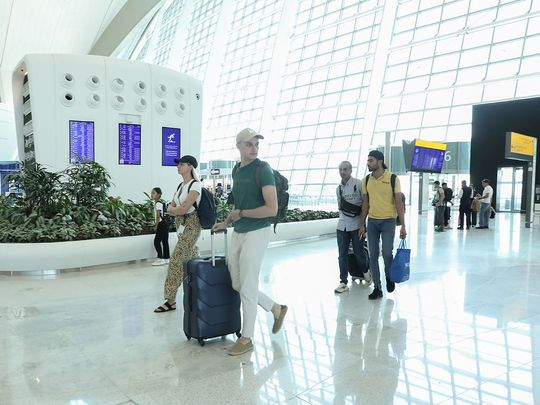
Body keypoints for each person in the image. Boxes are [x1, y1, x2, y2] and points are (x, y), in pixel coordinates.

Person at [212, 128, 288, 356]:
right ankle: (275, 308)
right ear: (238, 146)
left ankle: (247, 339)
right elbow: (238, 206)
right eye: (249, 144)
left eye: (256, 144)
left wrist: (242, 214)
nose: (254, 148)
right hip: (240, 230)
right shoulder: (237, 169)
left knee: (247, 285)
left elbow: (271, 209)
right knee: (237, 282)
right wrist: (226, 222)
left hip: (258, 231)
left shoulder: (262, 169)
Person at [154, 155, 202, 313]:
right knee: (193, 260)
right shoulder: (181, 186)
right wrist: (176, 210)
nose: (178, 166)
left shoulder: (195, 186)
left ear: (190, 166)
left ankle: (170, 300)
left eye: (182, 164)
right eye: (178, 164)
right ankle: (199, 293)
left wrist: (175, 210)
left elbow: (179, 209)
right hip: (181, 226)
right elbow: (170, 208)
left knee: (175, 261)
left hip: (191, 225)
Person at [358, 150, 406, 300]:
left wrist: (403, 225)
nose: (368, 163)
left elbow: (399, 202)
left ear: (379, 161)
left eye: (371, 160)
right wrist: (361, 224)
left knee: (386, 253)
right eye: (368, 161)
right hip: (372, 221)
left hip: (388, 221)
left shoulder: (392, 178)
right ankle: (377, 287)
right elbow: (365, 203)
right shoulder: (366, 180)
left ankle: (389, 277)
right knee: (373, 255)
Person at [335, 161, 371, 293]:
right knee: (342, 254)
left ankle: (366, 270)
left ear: (350, 171)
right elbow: (340, 207)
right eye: (340, 169)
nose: (342, 172)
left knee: (358, 253)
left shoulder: (359, 184)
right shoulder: (338, 188)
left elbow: (365, 204)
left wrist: (362, 224)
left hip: (357, 225)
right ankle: (343, 282)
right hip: (342, 226)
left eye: (345, 169)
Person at [151, 187, 169, 266]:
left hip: (161, 224)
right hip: (166, 224)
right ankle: (166, 258)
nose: (151, 195)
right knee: (165, 241)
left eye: (153, 193)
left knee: (156, 241)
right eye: (151, 193)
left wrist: (156, 225)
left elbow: (158, 216)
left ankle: (160, 258)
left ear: (159, 195)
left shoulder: (158, 203)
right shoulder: (162, 202)